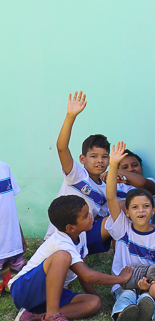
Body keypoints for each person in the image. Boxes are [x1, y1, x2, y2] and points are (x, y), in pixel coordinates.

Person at [9, 195, 132, 321]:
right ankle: (51, 317)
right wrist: (120, 279)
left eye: (88, 212)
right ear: (70, 228)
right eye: (85, 216)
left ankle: (34, 318)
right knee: (62, 256)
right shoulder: (60, 242)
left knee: (94, 302)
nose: (91, 216)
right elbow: (88, 275)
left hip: (48, 296)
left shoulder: (81, 234)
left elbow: (83, 269)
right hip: (23, 290)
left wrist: (94, 294)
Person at [104, 142, 155, 321]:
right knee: (126, 295)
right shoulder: (122, 229)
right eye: (134, 207)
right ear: (127, 212)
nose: (141, 211)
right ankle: (122, 318)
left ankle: (141, 320)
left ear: (153, 210)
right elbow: (111, 197)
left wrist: (149, 284)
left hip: (148, 285)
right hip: (123, 284)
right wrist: (113, 165)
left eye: (146, 206)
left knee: (146, 299)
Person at [52, 92, 113, 255]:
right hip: (59, 238)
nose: (100, 161)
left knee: (118, 217)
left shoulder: (106, 188)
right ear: (82, 159)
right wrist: (70, 116)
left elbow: (100, 218)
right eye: (94, 156)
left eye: (104, 157)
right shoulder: (76, 175)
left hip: (83, 237)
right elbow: (61, 148)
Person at [0, 159, 25, 292]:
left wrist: (20, 235)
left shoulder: (4, 167)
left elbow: (10, 207)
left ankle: (9, 280)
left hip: (13, 244)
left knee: (19, 286)